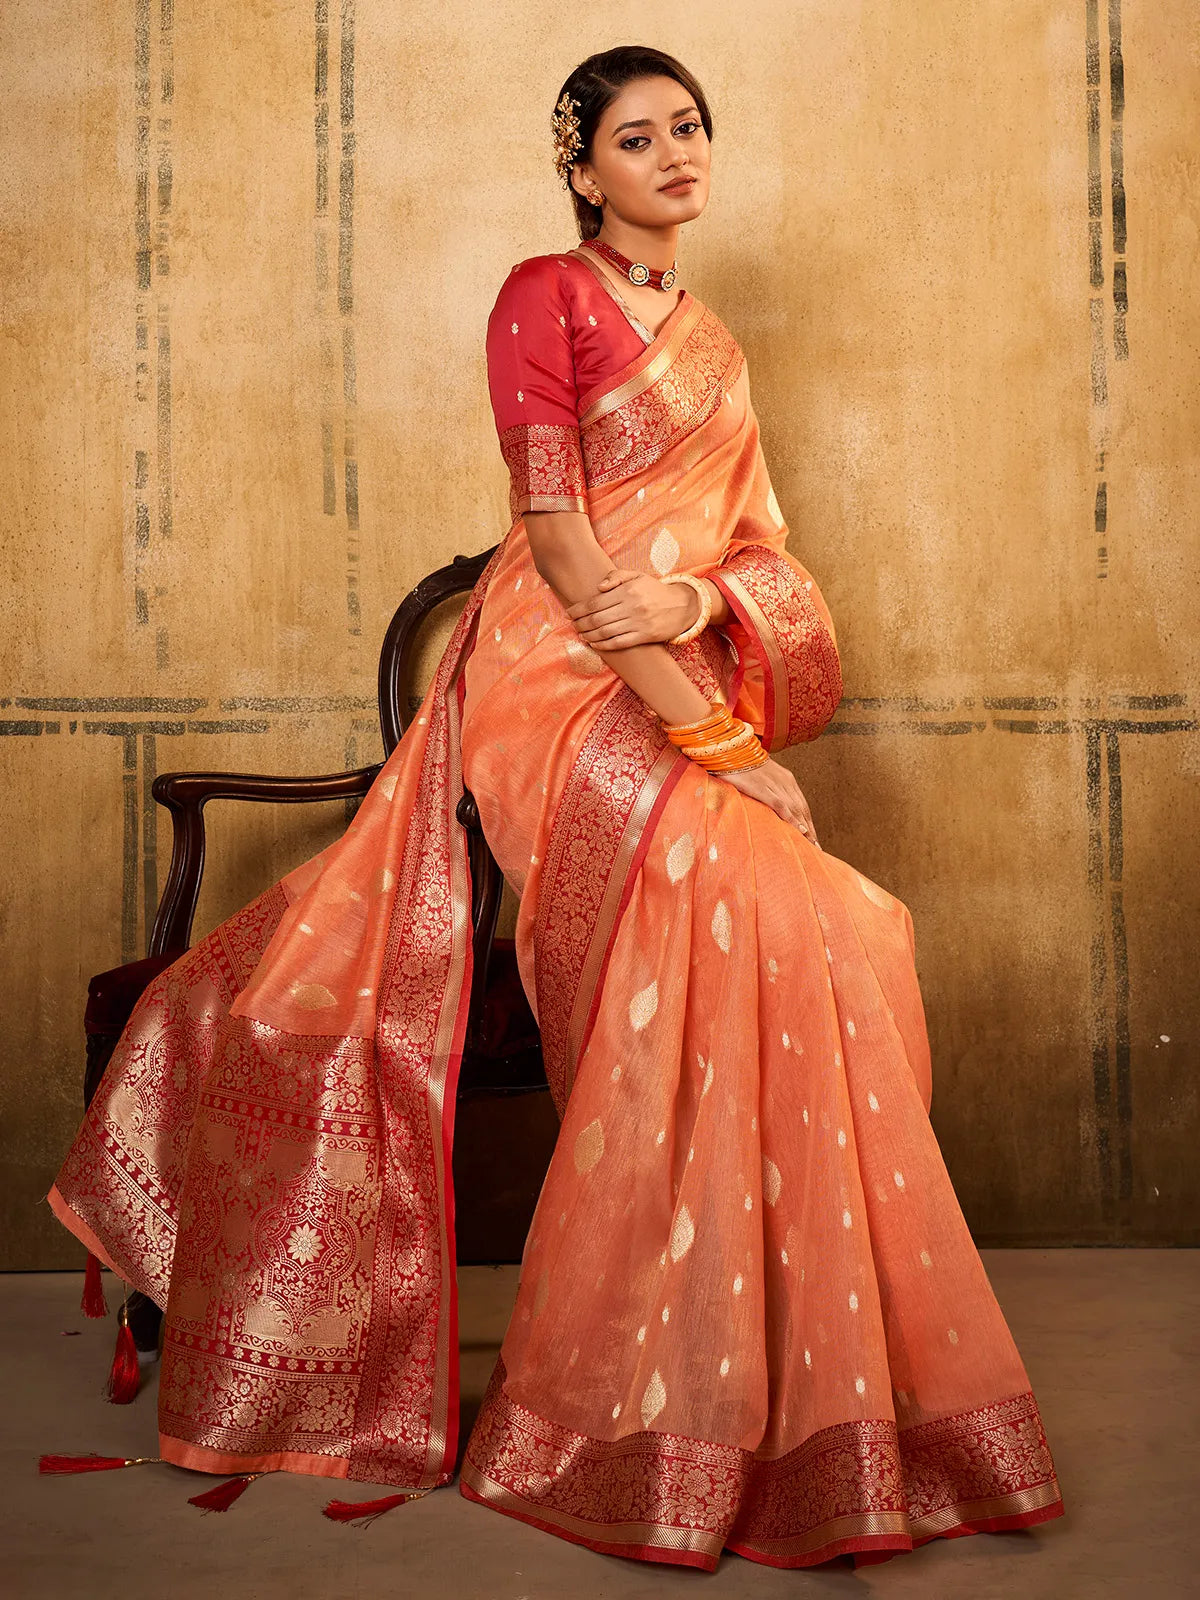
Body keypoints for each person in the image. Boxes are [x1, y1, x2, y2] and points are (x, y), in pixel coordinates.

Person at [47, 45, 1065, 1572]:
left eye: (691, 129)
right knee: (741, 898)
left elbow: (754, 557)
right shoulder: (546, 295)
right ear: (583, 169)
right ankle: (624, 1398)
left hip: (659, 664)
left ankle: (786, 1374)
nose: (675, 154)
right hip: (546, 685)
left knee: (832, 923)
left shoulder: (712, 343)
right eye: (637, 137)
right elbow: (570, 556)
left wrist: (708, 594)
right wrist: (717, 733)